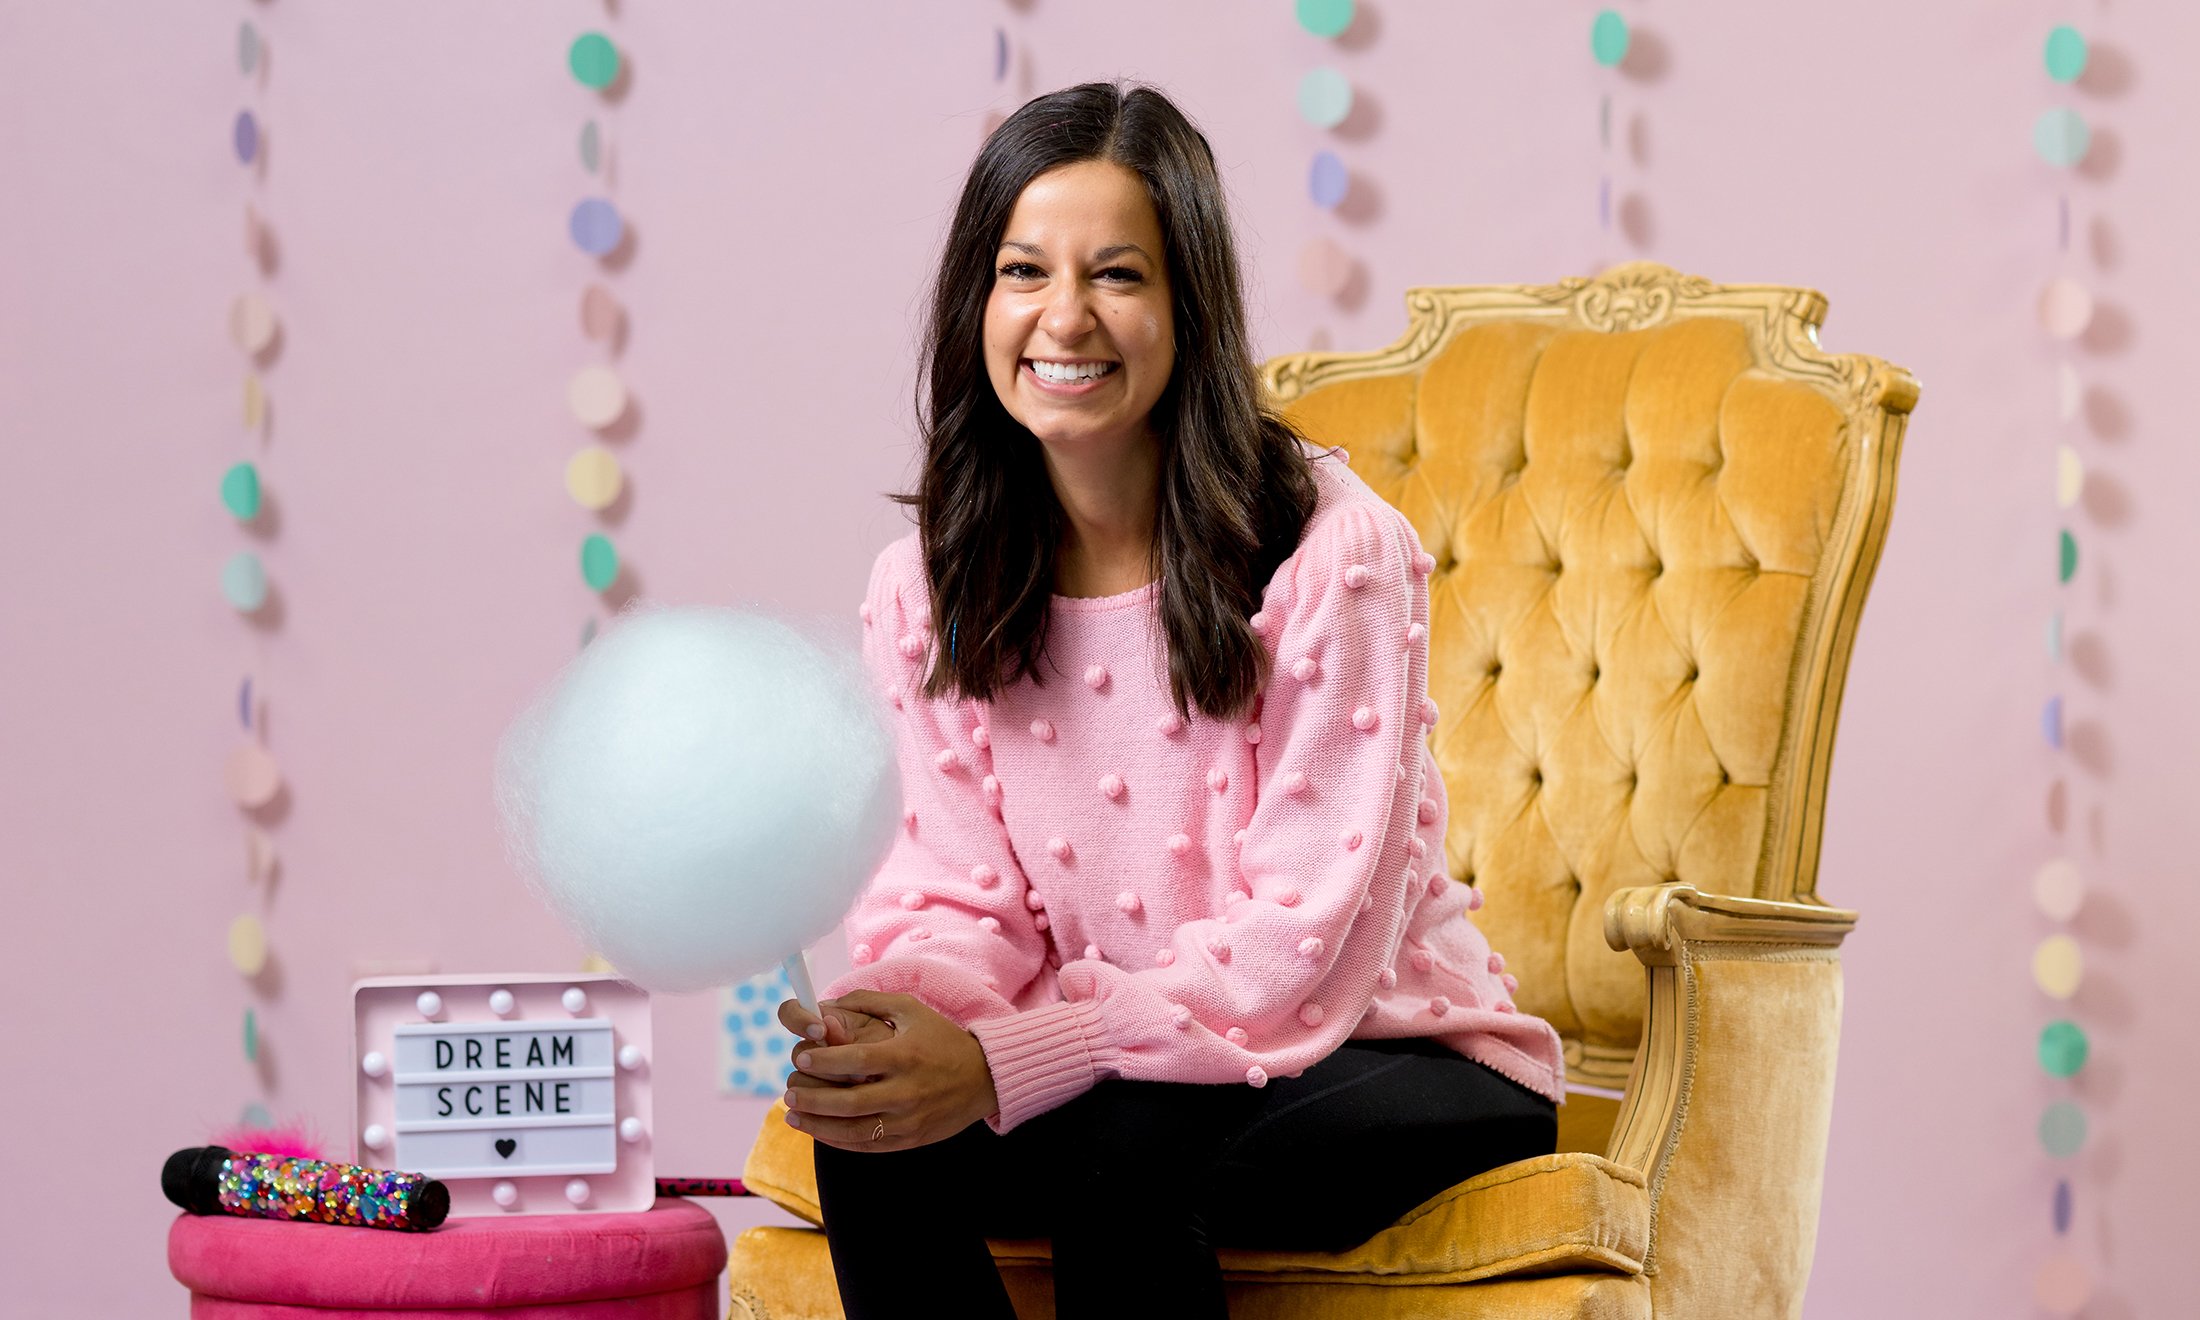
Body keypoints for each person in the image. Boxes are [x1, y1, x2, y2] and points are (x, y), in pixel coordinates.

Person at [776, 81, 1565, 1320]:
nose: (1065, 318)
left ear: (1189, 305)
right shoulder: (926, 584)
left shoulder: (1332, 551)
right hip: (1118, 1072)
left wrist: (1006, 1061)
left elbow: (1296, 951)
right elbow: (947, 893)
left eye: (1120, 275)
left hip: (1389, 1048)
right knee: (871, 1144)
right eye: (1024, 270)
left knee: (1121, 1171)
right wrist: (908, 1030)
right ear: (976, 305)